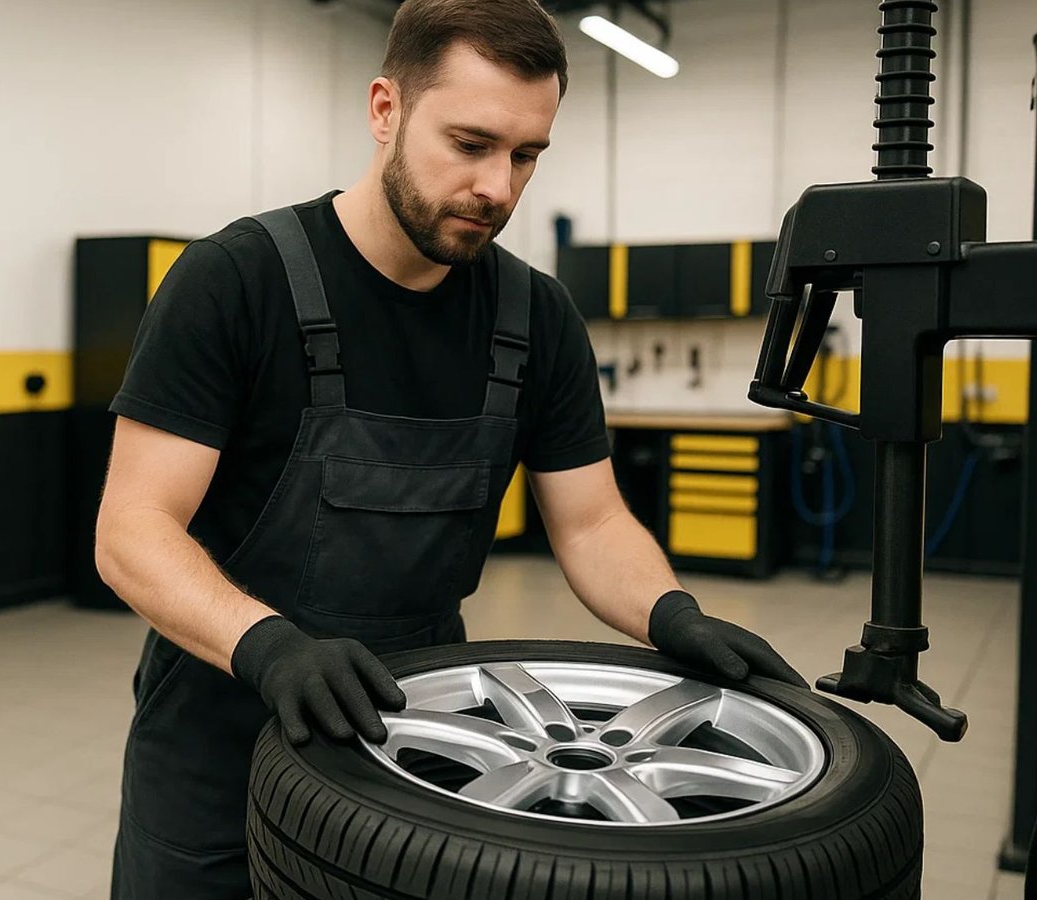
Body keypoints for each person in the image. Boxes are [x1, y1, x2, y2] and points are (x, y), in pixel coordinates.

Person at [95, 1, 806, 896]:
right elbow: (132, 528)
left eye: (526, 155)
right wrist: (270, 646)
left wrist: (673, 614)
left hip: (424, 728)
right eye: (470, 144)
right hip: (220, 726)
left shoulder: (535, 316)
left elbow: (588, 524)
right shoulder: (234, 281)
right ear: (385, 109)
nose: (499, 188)